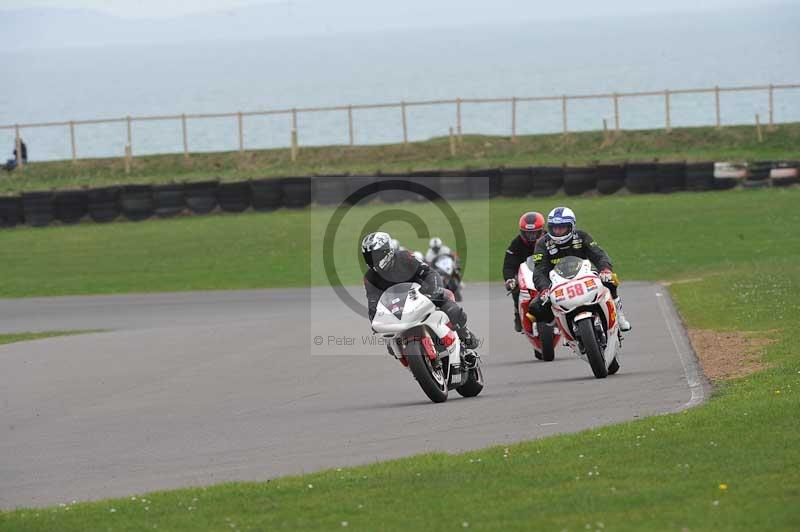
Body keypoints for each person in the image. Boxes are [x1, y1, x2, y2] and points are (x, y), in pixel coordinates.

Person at [362, 231, 479, 364]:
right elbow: (373, 302)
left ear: (386, 251)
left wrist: (434, 290)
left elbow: (429, 272)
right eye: (368, 257)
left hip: (423, 294)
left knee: (451, 308)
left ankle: (465, 334)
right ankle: (416, 366)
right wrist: (375, 321)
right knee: (390, 345)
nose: (372, 260)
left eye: (375, 255)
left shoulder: (405, 257)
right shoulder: (369, 277)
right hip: (398, 308)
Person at [528, 207, 631, 331]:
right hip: (557, 283)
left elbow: (598, 255)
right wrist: (544, 289)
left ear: (571, 226)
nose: (557, 231)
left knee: (610, 280)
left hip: (585, 275)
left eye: (562, 227)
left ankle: (619, 314)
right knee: (534, 308)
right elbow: (539, 270)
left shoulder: (582, 236)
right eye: (554, 227)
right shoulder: (542, 244)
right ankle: (558, 325)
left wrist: (605, 270)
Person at [502, 211, 546, 332]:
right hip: (526, 274)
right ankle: (518, 312)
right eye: (527, 234)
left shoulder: (549, 239)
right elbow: (508, 264)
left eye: (535, 233)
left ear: (542, 230)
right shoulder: (516, 243)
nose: (531, 237)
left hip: (547, 272)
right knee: (515, 288)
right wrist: (509, 279)